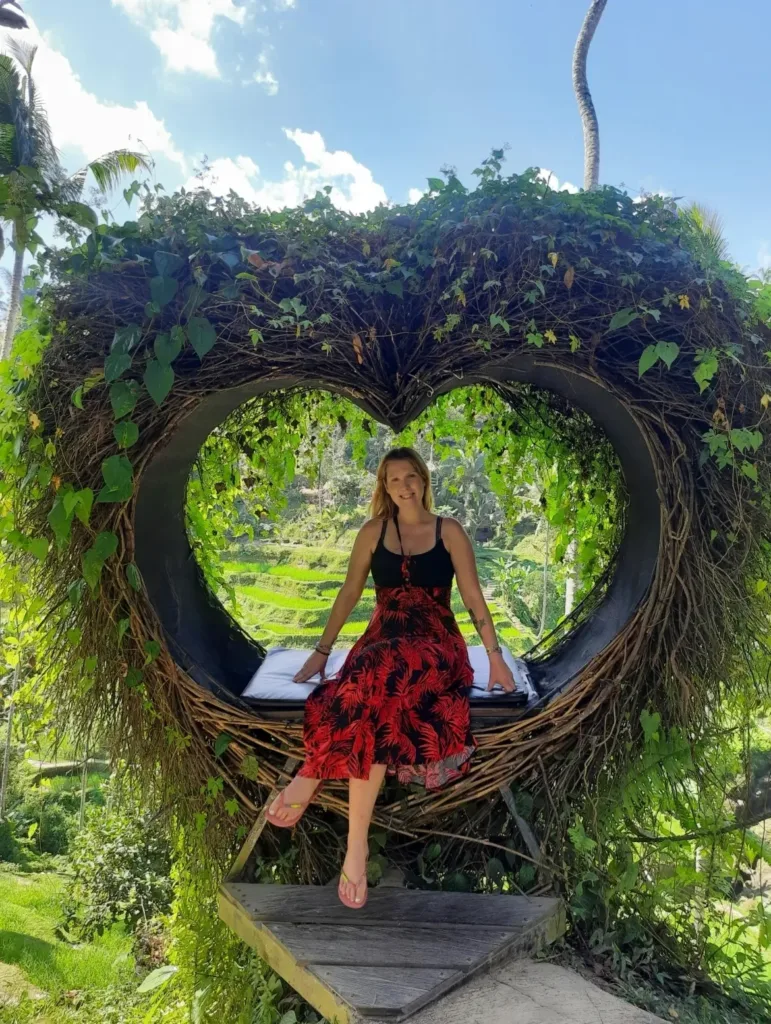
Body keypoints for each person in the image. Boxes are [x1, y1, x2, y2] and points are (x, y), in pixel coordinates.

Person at [266, 446, 517, 908]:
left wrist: (495, 657)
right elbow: (349, 592)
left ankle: (313, 775)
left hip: (435, 644)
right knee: (368, 681)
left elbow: (473, 596)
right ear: (384, 486)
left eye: (411, 476)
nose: (404, 485)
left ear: (423, 479)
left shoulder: (450, 531)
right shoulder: (372, 532)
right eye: (393, 478)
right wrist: (323, 651)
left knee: (377, 673)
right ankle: (356, 843)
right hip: (382, 637)